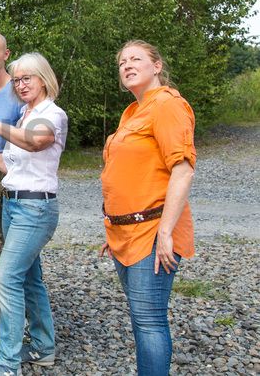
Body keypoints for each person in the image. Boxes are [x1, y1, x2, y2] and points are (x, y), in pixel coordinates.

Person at [0, 52, 68, 376]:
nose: (20, 84)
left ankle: (7, 364)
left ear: (43, 79)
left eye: (26, 78)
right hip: (14, 203)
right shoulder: (24, 115)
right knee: (31, 281)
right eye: (17, 80)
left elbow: (35, 143)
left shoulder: (51, 114)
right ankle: (44, 349)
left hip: (36, 209)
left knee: (6, 278)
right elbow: (15, 165)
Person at [99, 40, 196, 376]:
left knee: (149, 321)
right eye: (122, 61)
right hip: (124, 233)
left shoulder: (167, 105)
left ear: (157, 66)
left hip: (152, 231)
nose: (127, 64)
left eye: (136, 59)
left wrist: (166, 232)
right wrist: (114, 223)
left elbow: (182, 170)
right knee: (141, 320)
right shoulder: (132, 112)